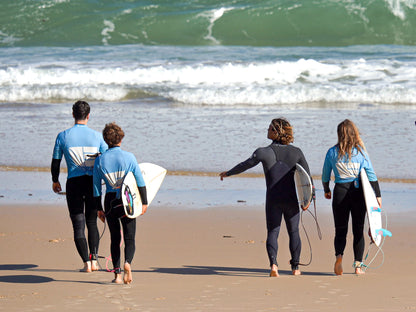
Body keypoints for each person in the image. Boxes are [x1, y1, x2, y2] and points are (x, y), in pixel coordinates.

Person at [220, 118, 313, 277]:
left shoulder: (262, 152)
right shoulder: (296, 152)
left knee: (273, 232)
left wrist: (228, 173)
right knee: (294, 232)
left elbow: (245, 165)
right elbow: (308, 179)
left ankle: (274, 266)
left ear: (277, 132)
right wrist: (309, 199)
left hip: (273, 200)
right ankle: (295, 268)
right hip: (291, 200)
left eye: (270, 128)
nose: (267, 130)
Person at [51, 100, 108, 272]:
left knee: (78, 224)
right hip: (92, 183)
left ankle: (86, 263)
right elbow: (107, 159)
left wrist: (55, 180)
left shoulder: (63, 136)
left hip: (74, 183)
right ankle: (95, 260)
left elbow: (55, 162)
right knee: (92, 222)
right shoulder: (98, 136)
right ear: (88, 116)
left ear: (73, 114)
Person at [322, 119, 382, 275]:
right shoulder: (361, 152)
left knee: (340, 229)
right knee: (358, 229)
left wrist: (326, 189)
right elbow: (371, 176)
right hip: (358, 194)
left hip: (340, 192)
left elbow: (325, 175)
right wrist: (378, 196)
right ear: (354, 133)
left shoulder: (331, 152)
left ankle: (339, 256)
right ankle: (358, 266)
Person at [93, 122, 148, 284]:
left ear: (106, 140)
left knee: (115, 238)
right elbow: (140, 182)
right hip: (127, 201)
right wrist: (144, 203)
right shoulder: (129, 157)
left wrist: (99, 209)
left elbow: (96, 188)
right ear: (121, 139)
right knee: (130, 237)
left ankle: (117, 274)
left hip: (110, 202)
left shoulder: (100, 161)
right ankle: (127, 263)